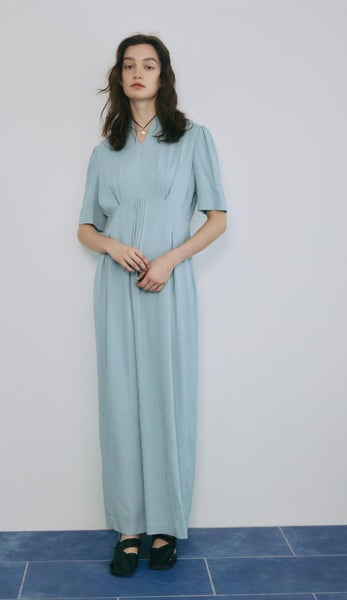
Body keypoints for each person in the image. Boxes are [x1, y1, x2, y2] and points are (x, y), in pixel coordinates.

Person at [77, 33, 227, 577]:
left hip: (167, 286)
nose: (137, 72)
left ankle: (166, 523)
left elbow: (217, 219)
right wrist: (112, 246)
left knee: (167, 398)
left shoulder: (193, 139)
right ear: (119, 77)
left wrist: (168, 261)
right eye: (128, 65)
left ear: (163, 76)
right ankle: (129, 527)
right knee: (120, 400)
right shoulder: (105, 151)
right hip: (116, 289)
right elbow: (85, 227)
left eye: (149, 64)